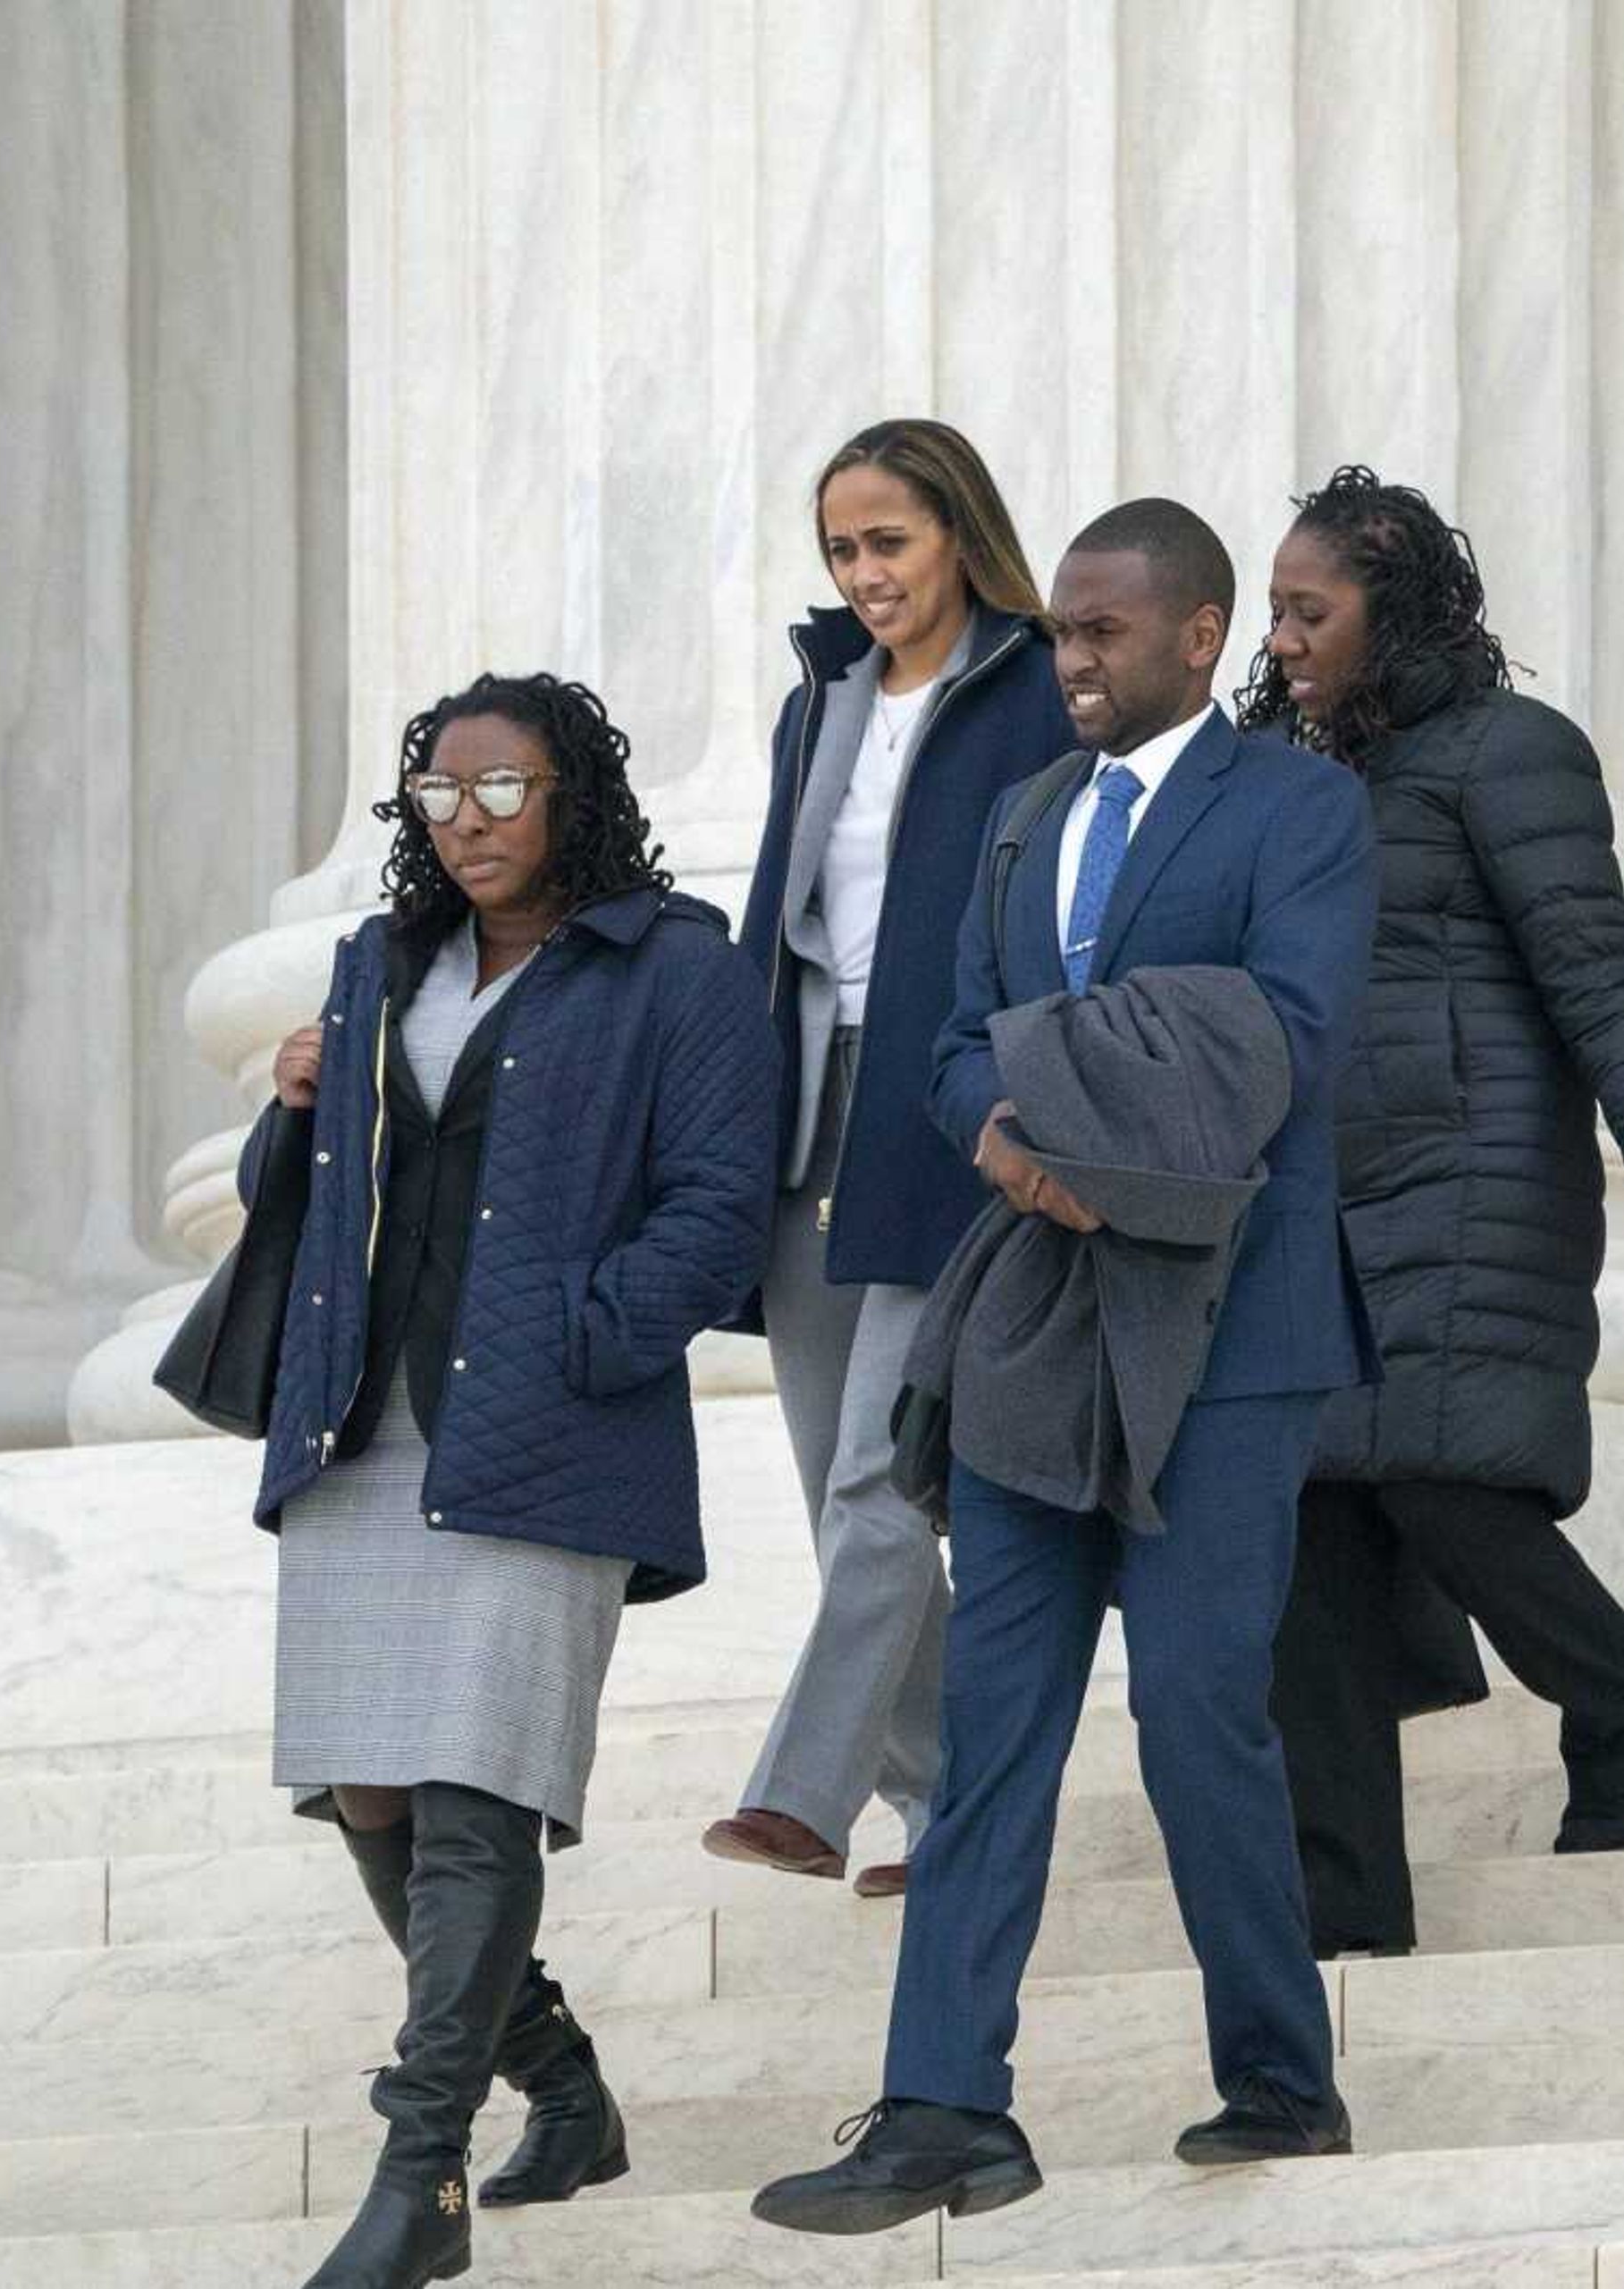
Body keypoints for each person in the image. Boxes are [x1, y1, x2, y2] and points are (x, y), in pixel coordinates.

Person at [752, 499, 1379, 2234]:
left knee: (1193, 1708)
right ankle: (946, 2103)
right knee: (998, 1722)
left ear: (1199, 635)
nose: (1074, 663)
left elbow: (1283, 1043)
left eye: (1105, 635)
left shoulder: (1303, 808)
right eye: (1066, 636)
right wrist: (1026, 1135)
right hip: (1039, 1319)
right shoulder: (1028, 819)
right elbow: (954, 1048)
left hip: (1234, 1334)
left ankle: (1278, 2072)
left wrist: (1058, 1100)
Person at [256, 674, 778, 2288]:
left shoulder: (672, 967)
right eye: (438, 797)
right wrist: (298, 1098)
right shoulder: (380, 962)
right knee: (370, 1788)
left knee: (479, 1788)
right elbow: (328, 1188)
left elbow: (717, 1199)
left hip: (544, 1421)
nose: (468, 825)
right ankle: (560, 2082)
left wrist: (589, 1333)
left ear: (576, 795)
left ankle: (421, 2181)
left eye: (503, 791)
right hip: (367, 1419)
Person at [1229, 467, 1624, 1961]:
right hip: (1313, 1194)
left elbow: (1588, 963)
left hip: (1470, 1169)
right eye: (1275, 612)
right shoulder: (1284, 773)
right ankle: (1346, 1908)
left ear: (1399, 606)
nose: (1285, 638)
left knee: (1452, 1478)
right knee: (1309, 1527)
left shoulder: (1514, 752)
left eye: (1311, 611)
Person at [708, 419, 1079, 1899]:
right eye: (842, 549)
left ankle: (806, 1793)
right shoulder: (825, 702)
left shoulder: (1040, 687)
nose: (865, 574)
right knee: (824, 1481)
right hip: (812, 1112)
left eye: (890, 542)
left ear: (958, 535)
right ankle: (947, 1809)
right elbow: (772, 917)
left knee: (880, 1471)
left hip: (946, 1107)